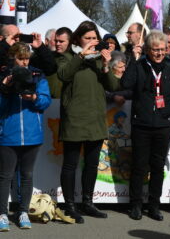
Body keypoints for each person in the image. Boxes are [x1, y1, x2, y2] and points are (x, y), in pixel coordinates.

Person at [57, 21, 119, 224]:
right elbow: (63, 75)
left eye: (95, 38)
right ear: (78, 39)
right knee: (70, 164)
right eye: (88, 38)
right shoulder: (68, 56)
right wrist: (81, 55)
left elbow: (113, 85)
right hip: (74, 119)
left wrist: (107, 65)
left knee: (92, 165)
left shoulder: (99, 60)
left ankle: (87, 202)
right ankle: (69, 205)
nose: (92, 42)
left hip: (95, 119)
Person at [121, 30, 170, 221]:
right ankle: (135, 204)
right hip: (141, 124)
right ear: (148, 50)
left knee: (157, 167)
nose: (159, 53)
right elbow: (125, 83)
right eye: (155, 50)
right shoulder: (139, 66)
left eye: (162, 49)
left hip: (163, 126)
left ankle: (154, 205)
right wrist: (133, 59)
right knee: (139, 166)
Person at [0, 42, 51, 231]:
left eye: (27, 58)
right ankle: (2, 214)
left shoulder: (37, 75)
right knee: (5, 176)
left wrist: (35, 98)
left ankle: (23, 211)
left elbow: (46, 101)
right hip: (8, 134)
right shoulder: (4, 75)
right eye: (20, 59)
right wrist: (4, 90)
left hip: (32, 135)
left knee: (27, 175)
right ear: (12, 59)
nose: (24, 62)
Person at [47, 27, 72, 98]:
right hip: (50, 101)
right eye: (56, 41)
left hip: (68, 101)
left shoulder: (76, 59)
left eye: (61, 41)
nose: (57, 44)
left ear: (70, 42)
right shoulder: (49, 57)